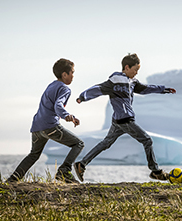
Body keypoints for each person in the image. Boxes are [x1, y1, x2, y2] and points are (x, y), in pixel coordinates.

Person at [73, 53, 176, 182]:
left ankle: (81, 164)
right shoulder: (115, 80)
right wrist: (82, 97)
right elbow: (98, 88)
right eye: (135, 70)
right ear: (127, 67)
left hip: (118, 121)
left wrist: (163, 89)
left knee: (106, 143)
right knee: (147, 140)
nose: (137, 73)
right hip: (125, 119)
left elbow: (145, 89)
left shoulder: (133, 81)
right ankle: (155, 171)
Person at [7, 58, 84, 183]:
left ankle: (12, 180)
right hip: (50, 126)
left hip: (37, 127)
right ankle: (64, 171)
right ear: (64, 74)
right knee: (78, 144)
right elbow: (58, 105)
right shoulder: (65, 89)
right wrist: (66, 116)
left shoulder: (51, 85)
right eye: (72, 73)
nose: (73, 76)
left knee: (33, 155)